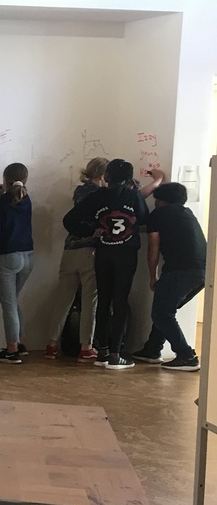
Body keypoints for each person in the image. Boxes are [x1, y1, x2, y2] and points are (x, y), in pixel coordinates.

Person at [63, 158, 149, 370]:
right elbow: (145, 220)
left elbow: (69, 221)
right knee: (120, 300)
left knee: (103, 300)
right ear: (128, 178)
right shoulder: (134, 196)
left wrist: (91, 231)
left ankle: (101, 351)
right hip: (126, 254)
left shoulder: (97, 196)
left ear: (107, 176)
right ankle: (115, 354)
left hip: (103, 252)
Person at [130, 181, 205, 371]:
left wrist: (152, 276)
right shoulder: (187, 214)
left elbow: (153, 246)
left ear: (161, 201)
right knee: (166, 310)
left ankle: (186, 356)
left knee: (162, 313)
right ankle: (152, 349)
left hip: (181, 271)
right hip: (203, 273)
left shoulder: (160, 214)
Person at [44, 157, 106, 363]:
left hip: (70, 249)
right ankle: (86, 347)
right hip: (90, 249)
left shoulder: (79, 192)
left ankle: (51, 345)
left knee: (63, 299)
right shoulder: (102, 195)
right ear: (103, 175)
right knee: (90, 300)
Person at [0, 162, 34, 364]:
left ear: (5, 179)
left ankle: (12, 349)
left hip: (7, 258)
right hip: (29, 256)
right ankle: (20, 344)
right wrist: (3, 195)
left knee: (9, 305)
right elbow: (12, 200)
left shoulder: (0, 204)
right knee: (13, 301)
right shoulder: (27, 200)